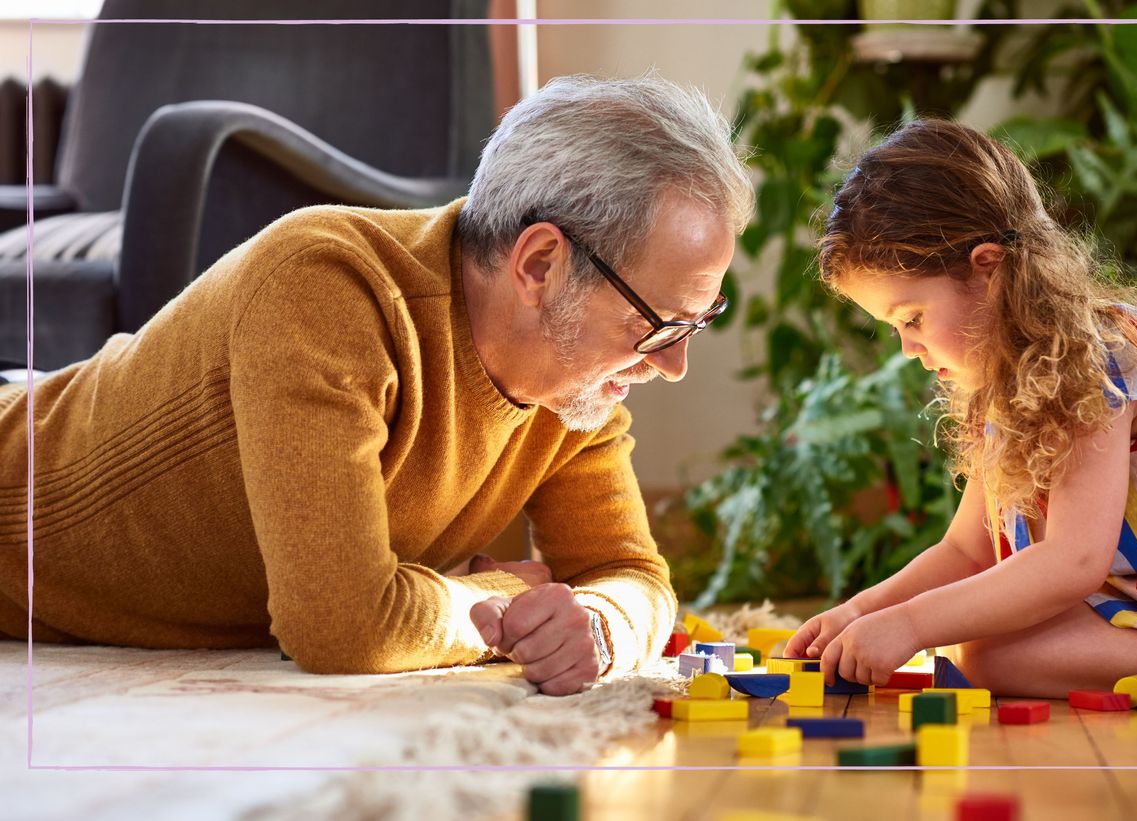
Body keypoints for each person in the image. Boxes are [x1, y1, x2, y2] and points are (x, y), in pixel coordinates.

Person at [0, 75, 754, 695]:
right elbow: (341, 625)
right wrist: (501, 598)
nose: (671, 363)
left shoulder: (574, 388)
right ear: (539, 265)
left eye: (697, 322)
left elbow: (632, 574)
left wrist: (597, 622)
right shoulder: (327, 287)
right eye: (659, 323)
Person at [786, 118, 1137, 708]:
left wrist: (912, 626)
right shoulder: (1009, 378)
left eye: (912, 318)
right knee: (989, 653)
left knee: (986, 645)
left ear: (988, 270)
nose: (908, 349)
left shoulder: (1094, 358)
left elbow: (1071, 562)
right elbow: (967, 552)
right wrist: (863, 610)